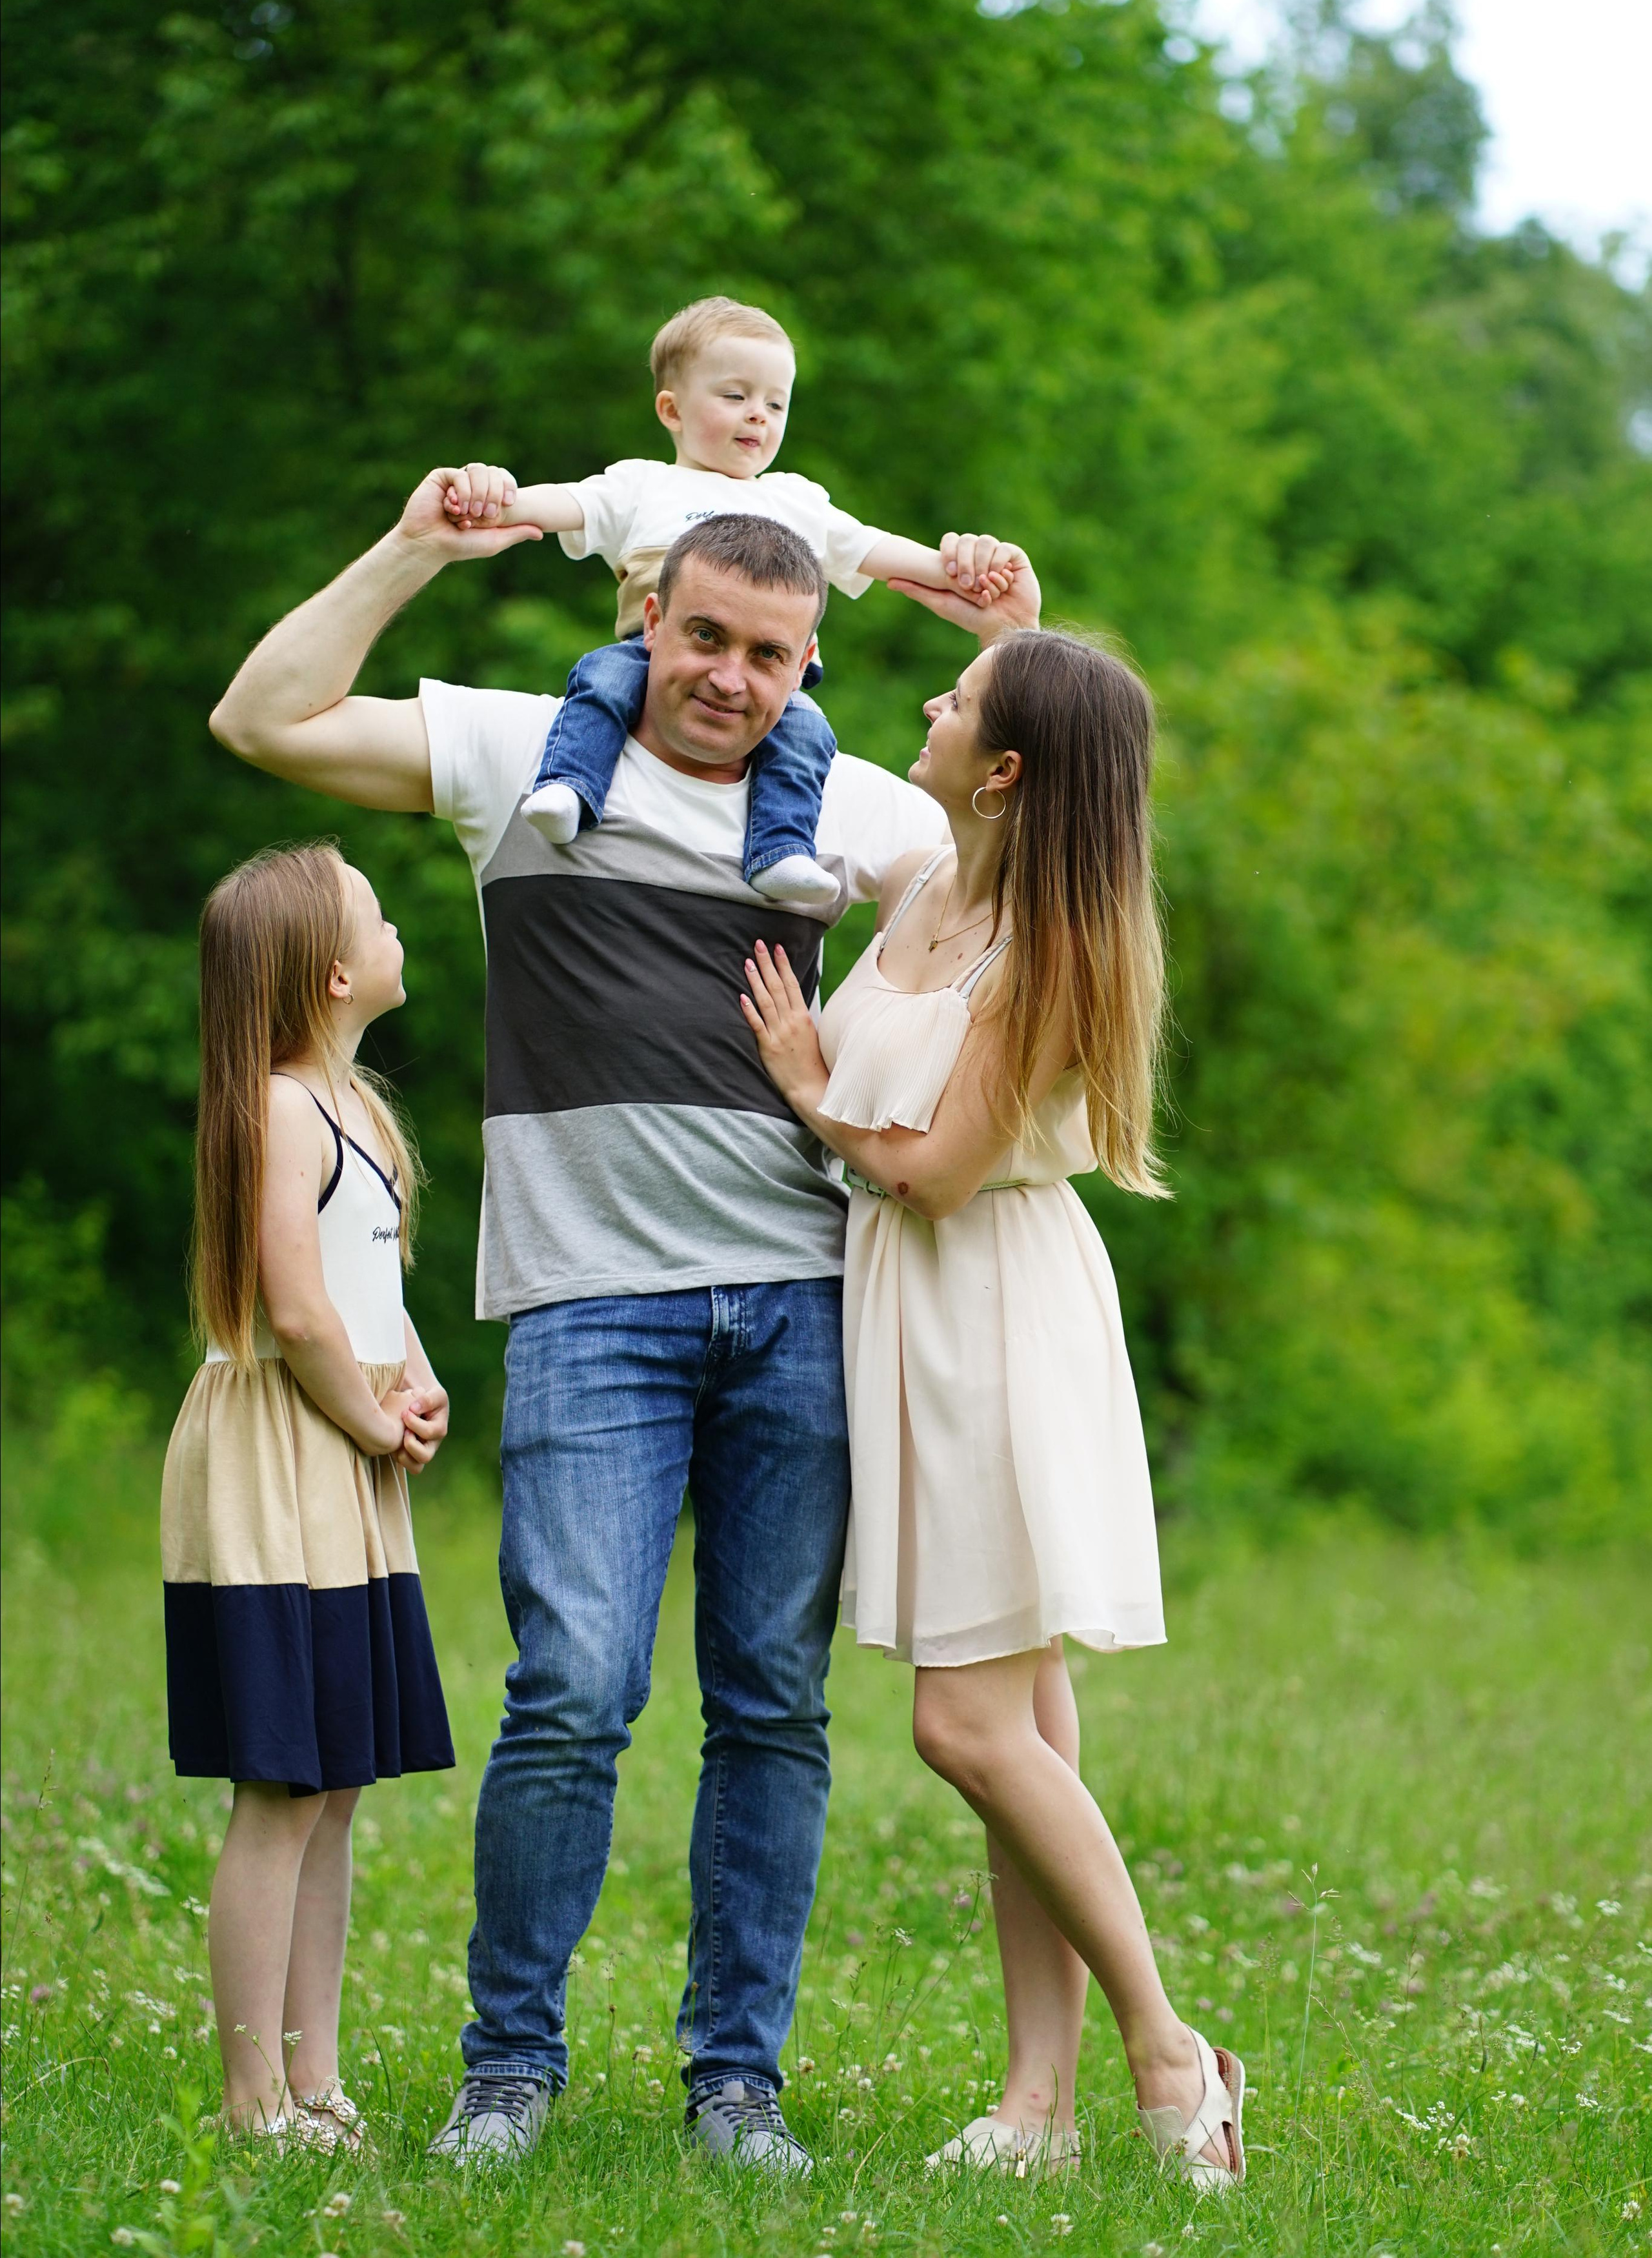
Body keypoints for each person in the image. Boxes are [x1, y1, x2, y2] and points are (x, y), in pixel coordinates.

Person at [206, 467, 1040, 2170]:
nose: (734, 679)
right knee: (572, 1689)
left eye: (775, 655)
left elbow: (1028, 874)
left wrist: (1017, 654)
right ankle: (508, 2069)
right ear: (648, 621)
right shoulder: (527, 762)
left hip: (802, 1304)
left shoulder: (849, 807)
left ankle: (738, 2084)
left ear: (811, 666)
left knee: (772, 1707)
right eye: (707, 639)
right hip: (593, 1308)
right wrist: (415, 549)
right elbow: (264, 718)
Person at [738, 629, 1245, 2194]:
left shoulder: (1043, 944)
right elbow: (1022, 718)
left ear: (1007, 772)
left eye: (955, 708)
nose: (929, 714)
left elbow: (935, 1167)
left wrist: (801, 1075)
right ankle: (1037, 2099)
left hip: (990, 1316)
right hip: (913, 1311)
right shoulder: (922, 889)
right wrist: (1002, 612)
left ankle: (1169, 2049)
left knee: (963, 1723)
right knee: (1017, 1722)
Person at [162, 843, 454, 2148]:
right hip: (283, 1455)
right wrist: (372, 1414)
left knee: (334, 1783)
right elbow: (291, 1304)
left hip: (344, 1447)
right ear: (338, 974)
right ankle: (249, 2098)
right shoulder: (280, 1108)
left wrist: (420, 1383)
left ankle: (315, 2076)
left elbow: (367, 1293)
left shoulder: (358, 1111)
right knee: (279, 1786)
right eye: (377, 917)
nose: (398, 928)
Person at [444, 293, 1023, 911]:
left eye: (776, 404)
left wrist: (963, 568)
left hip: (770, 683)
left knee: (806, 733)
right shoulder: (642, 485)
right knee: (599, 681)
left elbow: (877, 550)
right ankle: (569, 788)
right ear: (672, 408)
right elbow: (551, 504)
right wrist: (486, 493)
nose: (758, 417)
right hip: (652, 660)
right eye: (735, 396)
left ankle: (781, 851)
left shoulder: (794, 500)